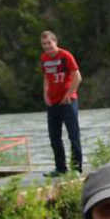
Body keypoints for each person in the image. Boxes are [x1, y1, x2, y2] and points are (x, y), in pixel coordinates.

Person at [40, 30, 83, 176]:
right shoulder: (44, 58)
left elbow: (77, 77)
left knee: (73, 134)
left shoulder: (65, 56)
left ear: (55, 42)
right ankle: (60, 168)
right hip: (53, 102)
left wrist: (69, 94)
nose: (47, 47)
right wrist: (45, 94)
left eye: (49, 43)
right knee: (54, 136)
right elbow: (46, 76)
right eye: (44, 44)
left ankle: (77, 168)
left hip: (68, 102)